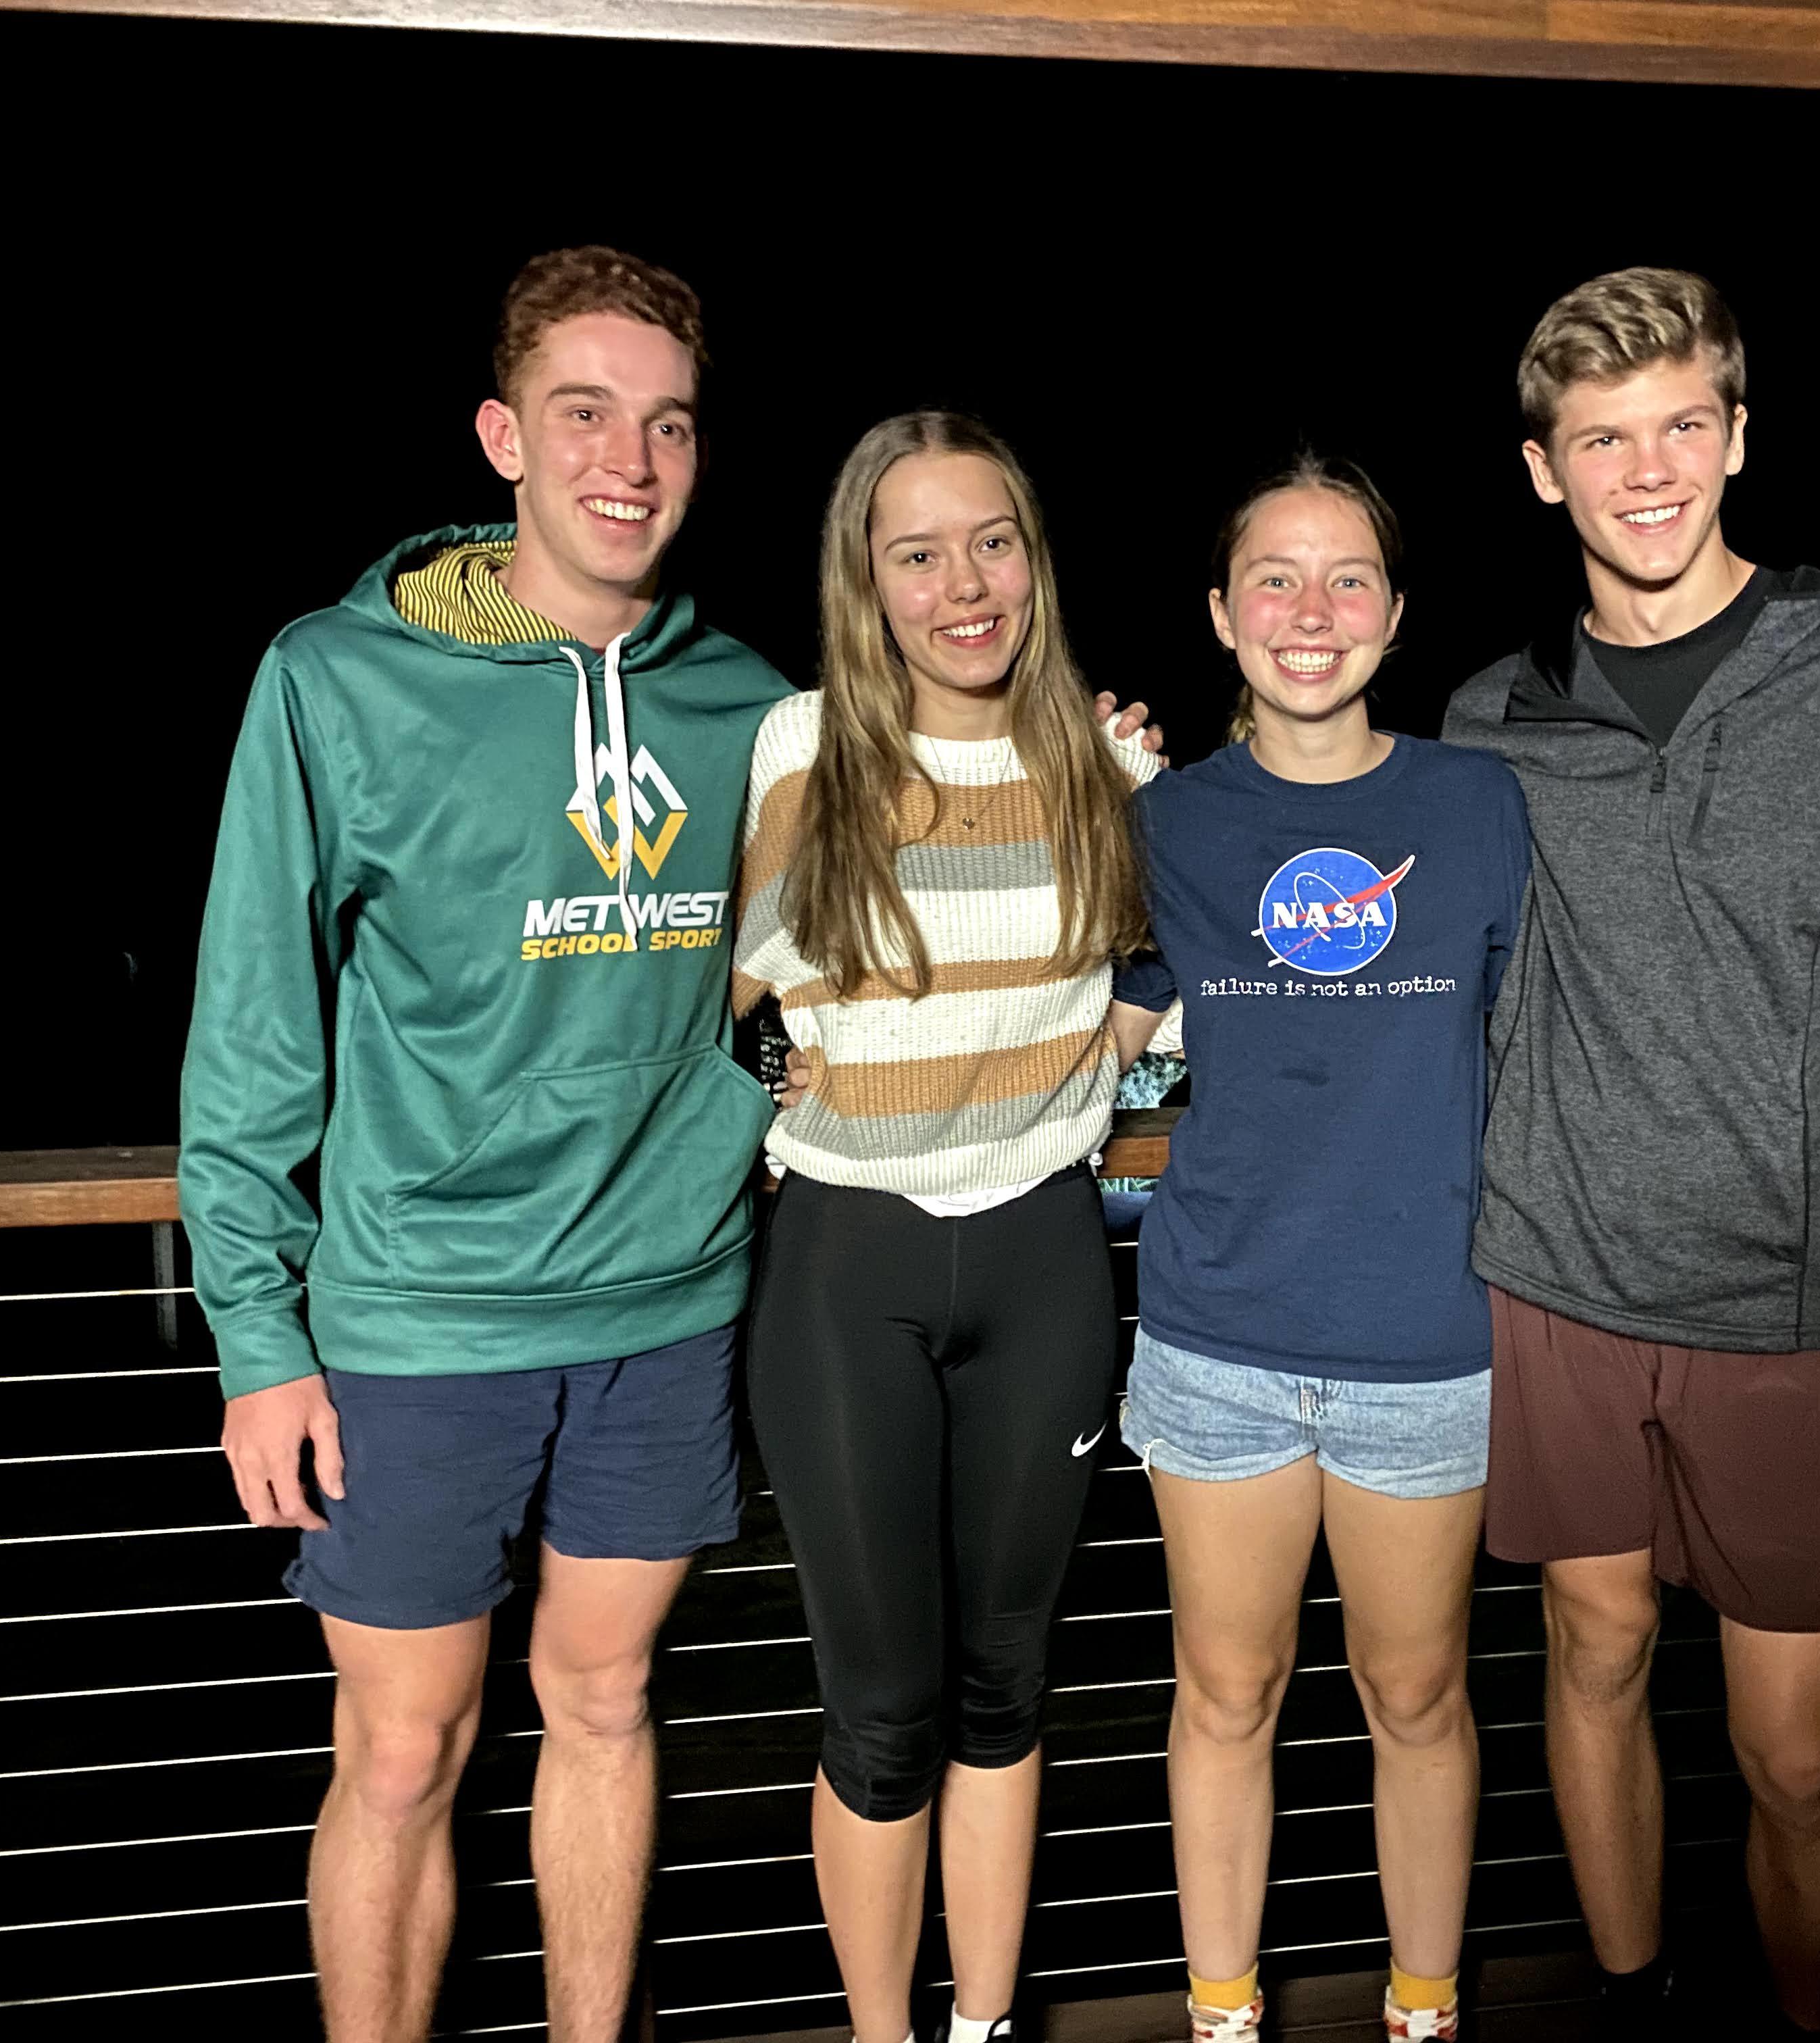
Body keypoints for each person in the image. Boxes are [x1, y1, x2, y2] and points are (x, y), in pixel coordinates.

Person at [1101, 461, 1820, 2043]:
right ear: (1221, 616)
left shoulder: (1480, 802)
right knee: (1223, 1699)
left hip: (1431, 1342)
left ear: (1396, 615)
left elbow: (1647, 970)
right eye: (1274, 579)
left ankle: (1424, 2010)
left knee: (1418, 1697)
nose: (1310, 612)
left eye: (1348, 579)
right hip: (1213, 1338)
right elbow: (1074, 1037)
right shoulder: (1157, 825)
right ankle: (1222, 2017)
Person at [181, 248, 792, 2043]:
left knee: (605, 1708)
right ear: (503, 437)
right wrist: (256, 1336)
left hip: (670, 1307)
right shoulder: (336, 680)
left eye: (668, 423)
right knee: (401, 1750)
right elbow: (253, 1030)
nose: (631, 460)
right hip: (417, 1319)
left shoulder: (751, 702)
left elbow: (821, 965)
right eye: (585, 414)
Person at [1442, 268, 1820, 2034]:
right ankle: (1637, 1996)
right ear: (1543, 469)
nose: (1649, 471)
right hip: (1556, 1282)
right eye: (1605, 438)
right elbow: (1427, 976)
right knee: (1593, 1659)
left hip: (1797, 1302)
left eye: (1683, 424)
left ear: (1739, 436)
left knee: (1798, 1752)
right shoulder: (1489, 721)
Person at [730, 411, 1159, 2043]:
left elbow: (1167, 961)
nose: (963, 586)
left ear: (1033, 560)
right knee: (882, 1706)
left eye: (992, 543)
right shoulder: (803, 748)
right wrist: (779, 1086)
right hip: (851, 1268)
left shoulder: (1108, 766)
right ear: (867, 581)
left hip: (1046, 1256)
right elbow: (718, 1000)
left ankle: (983, 2026)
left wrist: (1117, 1052)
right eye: (917, 554)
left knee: (1004, 1688)